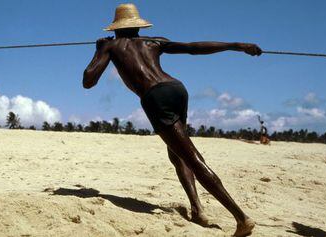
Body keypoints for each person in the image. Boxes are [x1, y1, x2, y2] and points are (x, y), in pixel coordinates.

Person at [83, 3, 261, 236]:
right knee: (176, 153)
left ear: (114, 29)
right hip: (176, 89)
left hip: (155, 97)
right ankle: (197, 209)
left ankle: (241, 218)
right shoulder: (154, 42)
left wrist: (99, 50)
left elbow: (88, 81)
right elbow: (193, 48)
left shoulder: (110, 46)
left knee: (192, 157)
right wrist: (236, 46)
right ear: (138, 27)